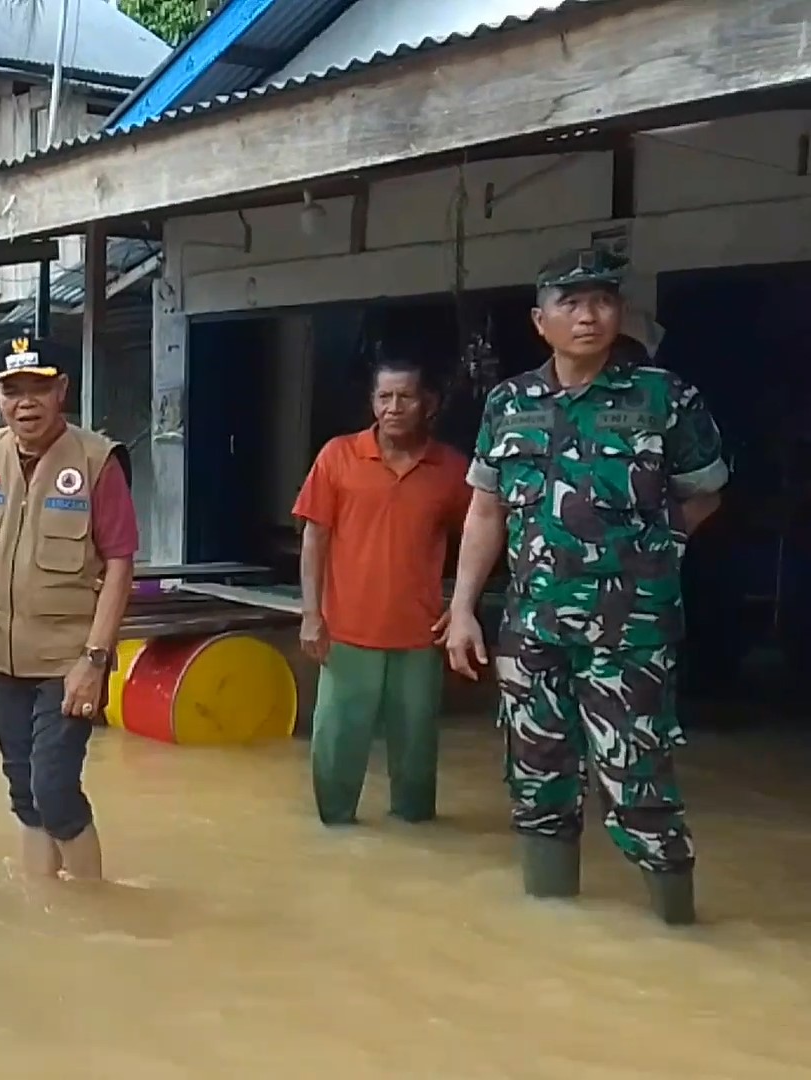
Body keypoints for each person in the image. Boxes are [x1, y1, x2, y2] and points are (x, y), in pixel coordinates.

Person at [444, 249, 728, 925]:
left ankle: (676, 926)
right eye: (569, 303)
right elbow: (485, 511)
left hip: (630, 630)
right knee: (536, 776)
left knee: (637, 776)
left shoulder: (663, 397)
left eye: (601, 300)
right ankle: (553, 923)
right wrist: (461, 610)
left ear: (618, 313)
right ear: (540, 321)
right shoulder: (509, 401)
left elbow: (705, 494)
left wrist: (659, 552)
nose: (588, 315)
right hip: (532, 626)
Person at [0, 338, 137, 881]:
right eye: (11, 390)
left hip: (68, 661)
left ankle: (92, 902)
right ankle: (42, 904)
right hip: (1, 654)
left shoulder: (98, 462)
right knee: (23, 787)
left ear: (62, 389)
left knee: (55, 788)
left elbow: (118, 564)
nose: (25, 402)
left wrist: (95, 660)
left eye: (38, 388)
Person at [293, 354, 470, 826]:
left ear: (428, 403)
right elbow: (315, 537)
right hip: (346, 632)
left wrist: (463, 606)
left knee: (416, 761)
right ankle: (335, 836)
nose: (393, 407)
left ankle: (413, 840)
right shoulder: (338, 455)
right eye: (384, 396)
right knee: (335, 751)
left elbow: (483, 536)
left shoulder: (452, 469)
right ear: (372, 402)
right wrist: (311, 614)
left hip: (421, 635)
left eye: (405, 397)